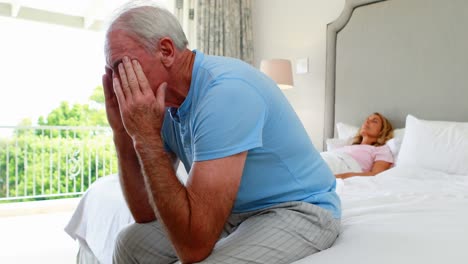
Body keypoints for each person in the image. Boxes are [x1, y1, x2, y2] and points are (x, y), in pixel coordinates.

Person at [102, 1, 340, 263]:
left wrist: (146, 139)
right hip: (233, 213)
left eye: (121, 66)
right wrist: (123, 134)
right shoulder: (163, 105)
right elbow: (145, 213)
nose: (116, 82)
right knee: (131, 243)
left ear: (166, 51)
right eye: (111, 71)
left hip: (298, 210)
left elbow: (193, 249)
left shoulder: (226, 92)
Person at [334, 113, 394, 179]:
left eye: (374, 121)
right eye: (367, 120)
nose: (367, 122)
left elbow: (376, 176)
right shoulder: (348, 146)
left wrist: (341, 176)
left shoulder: (381, 149)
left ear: (382, 131)